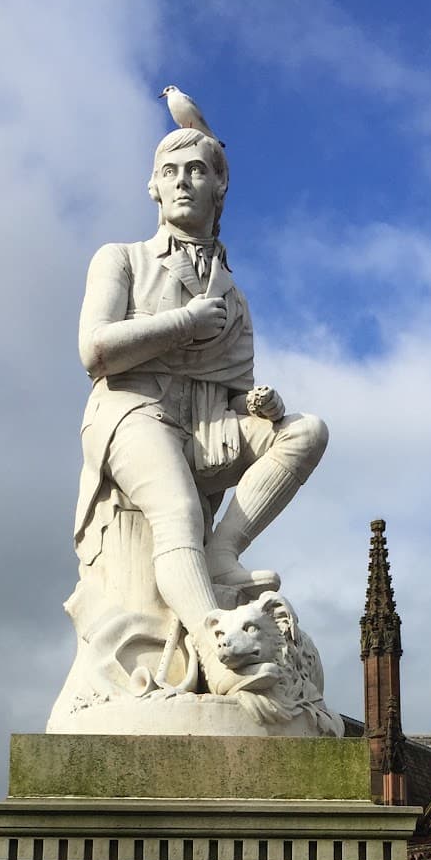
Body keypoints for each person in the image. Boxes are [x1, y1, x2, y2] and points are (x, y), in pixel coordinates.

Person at [73, 127, 328, 695]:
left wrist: (261, 406)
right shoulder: (121, 259)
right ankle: (215, 657)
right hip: (133, 408)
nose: (183, 181)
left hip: (207, 422)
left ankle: (221, 553)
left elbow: (236, 388)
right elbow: (95, 350)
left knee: (307, 431)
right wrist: (184, 323)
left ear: (220, 186)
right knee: (180, 510)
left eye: (197, 170)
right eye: (170, 172)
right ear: (154, 188)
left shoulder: (234, 297)